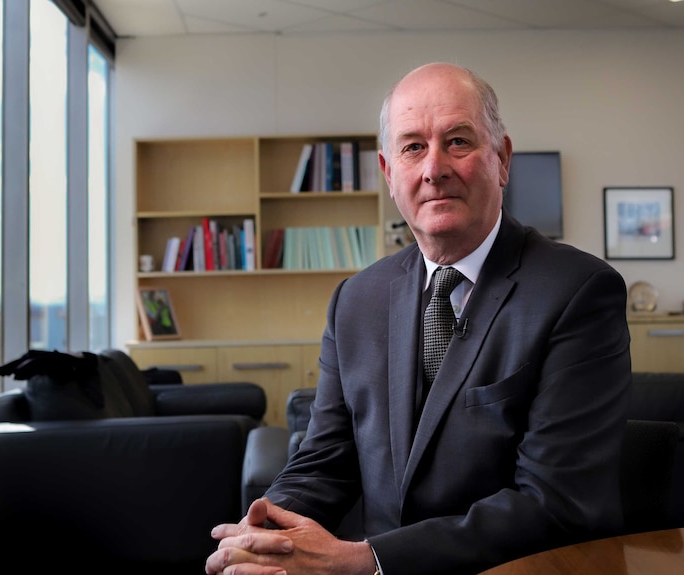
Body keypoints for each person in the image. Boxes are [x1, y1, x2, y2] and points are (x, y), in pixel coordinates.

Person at [206, 62, 631, 575]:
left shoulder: (578, 293)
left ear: (502, 159)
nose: (434, 168)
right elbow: (325, 458)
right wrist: (266, 534)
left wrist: (368, 560)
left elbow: (556, 503)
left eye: (457, 141)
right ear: (389, 173)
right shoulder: (355, 300)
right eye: (412, 147)